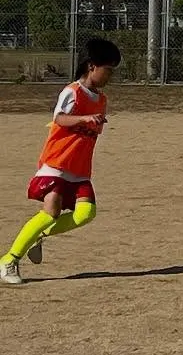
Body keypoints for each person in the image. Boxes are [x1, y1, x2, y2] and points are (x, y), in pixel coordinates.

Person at [1, 38, 122, 285]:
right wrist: (86, 119)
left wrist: (93, 121)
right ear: (91, 66)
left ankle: (38, 234)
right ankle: (9, 260)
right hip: (57, 164)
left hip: (79, 170)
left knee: (86, 213)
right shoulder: (72, 92)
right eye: (108, 69)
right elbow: (60, 119)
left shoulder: (101, 99)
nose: (110, 75)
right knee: (52, 212)